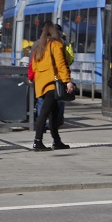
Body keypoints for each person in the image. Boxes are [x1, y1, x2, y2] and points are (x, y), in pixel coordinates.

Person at [30, 23, 74, 152]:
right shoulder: (56, 45)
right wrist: (67, 81)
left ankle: (57, 140)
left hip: (41, 84)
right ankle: (38, 141)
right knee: (45, 113)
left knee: (54, 112)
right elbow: (61, 64)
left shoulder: (39, 47)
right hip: (52, 83)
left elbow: (34, 67)